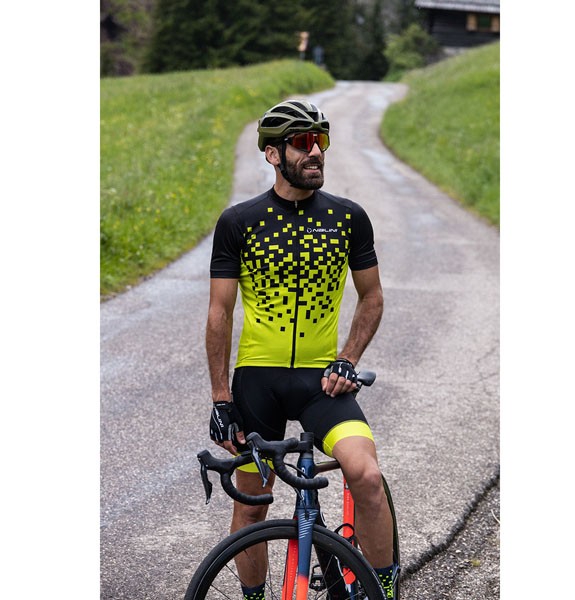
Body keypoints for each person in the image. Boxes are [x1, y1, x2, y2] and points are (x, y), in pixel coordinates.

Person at [206, 100, 397, 599]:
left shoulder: (348, 218)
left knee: (366, 476)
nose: (315, 151)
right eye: (301, 142)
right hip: (258, 382)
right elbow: (220, 312)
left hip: (321, 382)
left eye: (320, 141)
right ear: (273, 154)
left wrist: (347, 359)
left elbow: (372, 296)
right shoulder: (239, 221)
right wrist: (221, 399)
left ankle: (384, 589)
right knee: (252, 505)